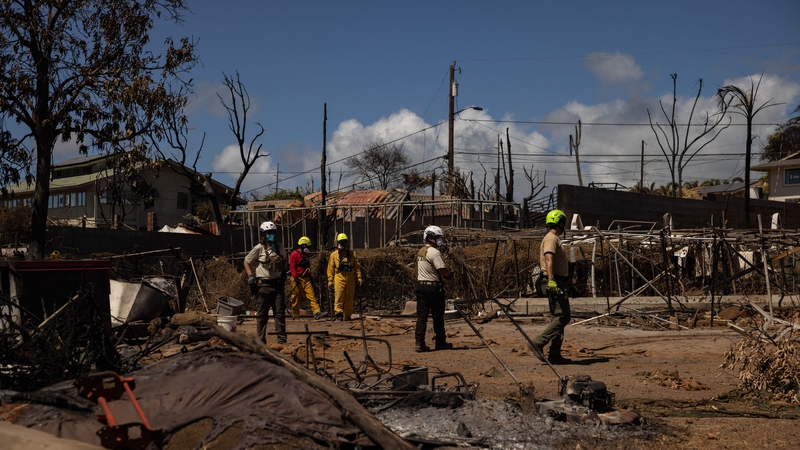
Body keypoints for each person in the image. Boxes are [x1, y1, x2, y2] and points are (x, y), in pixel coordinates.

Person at [529, 209, 572, 365]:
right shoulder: (551, 239)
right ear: (559, 222)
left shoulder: (553, 238)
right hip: (553, 281)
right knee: (563, 316)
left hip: (559, 281)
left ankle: (555, 354)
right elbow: (548, 259)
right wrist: (552, 280)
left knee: (557, 318)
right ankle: (538, 342)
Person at [244, 221, 288, 344]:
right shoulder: (258, 248)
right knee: (262, 315)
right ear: (263, 234)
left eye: (273, 232)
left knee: (279, 313)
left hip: (278, 285)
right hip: (263, 286)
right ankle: (260, 341)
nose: (271, 235)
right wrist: (250, 276)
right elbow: (246, 261)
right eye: (269, 233)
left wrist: (284, 272)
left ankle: (281, 340)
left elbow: (285, 260)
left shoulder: (280, 247)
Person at [414, 225, 453, 353]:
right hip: (433, 288)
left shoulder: (421, 251)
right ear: (430, 238)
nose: (440, 240)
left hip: (421, 286)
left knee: (422, 317)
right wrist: (449, 274)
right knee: (437, 316)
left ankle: (419, 343)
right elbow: (442, 270)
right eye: (437, 237)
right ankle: (440, 342)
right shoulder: (435, 253)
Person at [326, 233, 362, 322]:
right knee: (339, 296)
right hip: (339, 277)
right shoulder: (334, 255)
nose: (344, 245)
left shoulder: (352, 254)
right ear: (338, 243)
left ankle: (348, 316)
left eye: (345, 242)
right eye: (342, 243)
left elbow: (356, 267)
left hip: (350, 277)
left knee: (349, 297)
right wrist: (330, 280)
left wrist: (359, 277)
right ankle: (338, 315)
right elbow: (330, 268)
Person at [289, 236, 325, 320]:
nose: (308, 248)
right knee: (296, 297)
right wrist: (295, 277)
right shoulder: (294, 254)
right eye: (307, 246)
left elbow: (308, 267)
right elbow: (292, 267)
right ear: (303, 246)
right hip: (297, 279)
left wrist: (310, 277)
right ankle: (295, 314)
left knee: (311, 296)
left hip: (306, 279)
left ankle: (317, 312)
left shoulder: (306, 255)